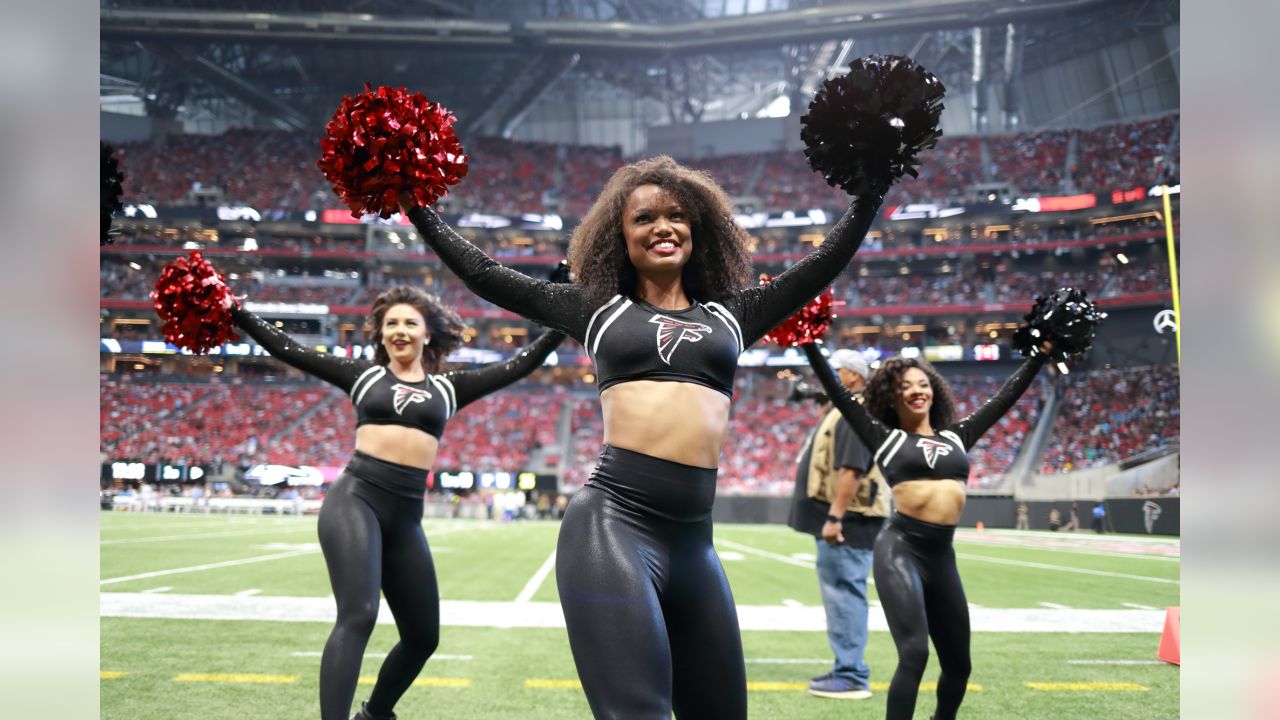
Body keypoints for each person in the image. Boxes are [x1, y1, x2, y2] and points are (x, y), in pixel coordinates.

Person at [401, 155, 883, 718]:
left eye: (677, 215)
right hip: (613, 525)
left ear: (698, 230)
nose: (664, 227)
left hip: (694, 544)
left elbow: (821, 265)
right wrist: (416, 203)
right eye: (645, 218)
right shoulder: (594, 308)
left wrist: (872, 189)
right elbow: (485, 274)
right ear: (619, 236)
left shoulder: (734, 313)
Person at [226, 285, 564, 720]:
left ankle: (375, 714)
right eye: (391, 324)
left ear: (427, 335)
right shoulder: (363, 377)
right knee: (359, 614)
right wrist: (238, 313)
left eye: (409, 323)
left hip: (406, 520)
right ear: (380, 335)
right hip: (355, 501)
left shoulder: (449, 388)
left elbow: (523, 363)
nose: (400, 331)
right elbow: (289, 348)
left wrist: (561, 318)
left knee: (424, 637)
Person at [802, 343, 1049, 720]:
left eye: (923, 384)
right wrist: (809, 343)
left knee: (959, 666)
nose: (918, 391)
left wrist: (1039, 356)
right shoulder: (884, 437)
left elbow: (1005, 398)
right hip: (899, 550)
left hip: (941, 555)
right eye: (906, 386)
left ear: (934, 389)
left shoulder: (956, 437)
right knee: (914, 653)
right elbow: (837, 390)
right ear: (891, 395)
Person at [787, 349, 886, 701]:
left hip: (848, 522)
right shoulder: (844, 409)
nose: (827, 376)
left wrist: (835, 517)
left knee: (844, 593)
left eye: (836, 371)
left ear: (854, 377)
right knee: (842, 592)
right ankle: (846, 666)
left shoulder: (854, 412)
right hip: (846, 520)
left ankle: (851, 674)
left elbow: (851, 470)